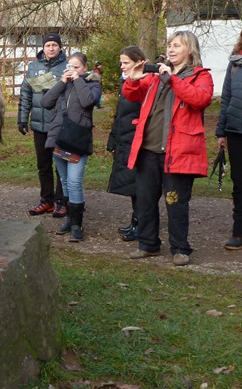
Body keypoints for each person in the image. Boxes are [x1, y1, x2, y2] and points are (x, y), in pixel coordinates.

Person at [124, 30, 213, 266]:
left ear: (190, 50)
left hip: (178, 152)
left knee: (175, 202)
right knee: (145, 201)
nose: (171, 49)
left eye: (177, 45)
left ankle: (180, 248)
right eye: (170, 45)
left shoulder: (200, 76)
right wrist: (133, 79)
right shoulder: (157, 76)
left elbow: (200, 99)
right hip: (148, 150)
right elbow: (132, 95)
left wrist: (172, 79)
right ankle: (148, 244)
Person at [42, 52, 102, 242]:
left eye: (77, 67)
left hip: (77, 140)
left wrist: (77, 80)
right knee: (65, 181)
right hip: (59, 139)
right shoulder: (63, 84)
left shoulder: (92, 84)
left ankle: (77, 224)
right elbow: (46, 102)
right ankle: (69, 219)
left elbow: (88, 101)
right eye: (70, 67)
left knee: (75, 181)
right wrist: (61, 82)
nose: (73, 70)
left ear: (85, 67)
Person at [18, 32, 67, 217]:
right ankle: (47, 199)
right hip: (39, 124)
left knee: (61, 164)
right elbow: (26, 93)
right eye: (48, 45)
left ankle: (61, 201)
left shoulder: (67, 66)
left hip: (59, 124)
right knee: (43, 165)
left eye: (54, 45)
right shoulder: (33, 67)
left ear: (60, 47)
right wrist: (23, 118)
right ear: (43, 48)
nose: (51, 48)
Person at [216, 23, 242, 251]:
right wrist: (221, 131)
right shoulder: (235, 64)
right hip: (236, 131)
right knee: (240, 183)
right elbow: (226, 98)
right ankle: (241, 232)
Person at [107, 46, 145, 242]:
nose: (122, 66)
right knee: (131, 185)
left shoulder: (144, 83)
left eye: (126, 63)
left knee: (138, 185)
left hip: (137, 141)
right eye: (121, 63)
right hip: (125, 139)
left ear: (138, 63)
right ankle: (135, 222)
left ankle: (141, 224)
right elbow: (120, 115)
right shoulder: (126, 83)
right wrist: (113, 138)